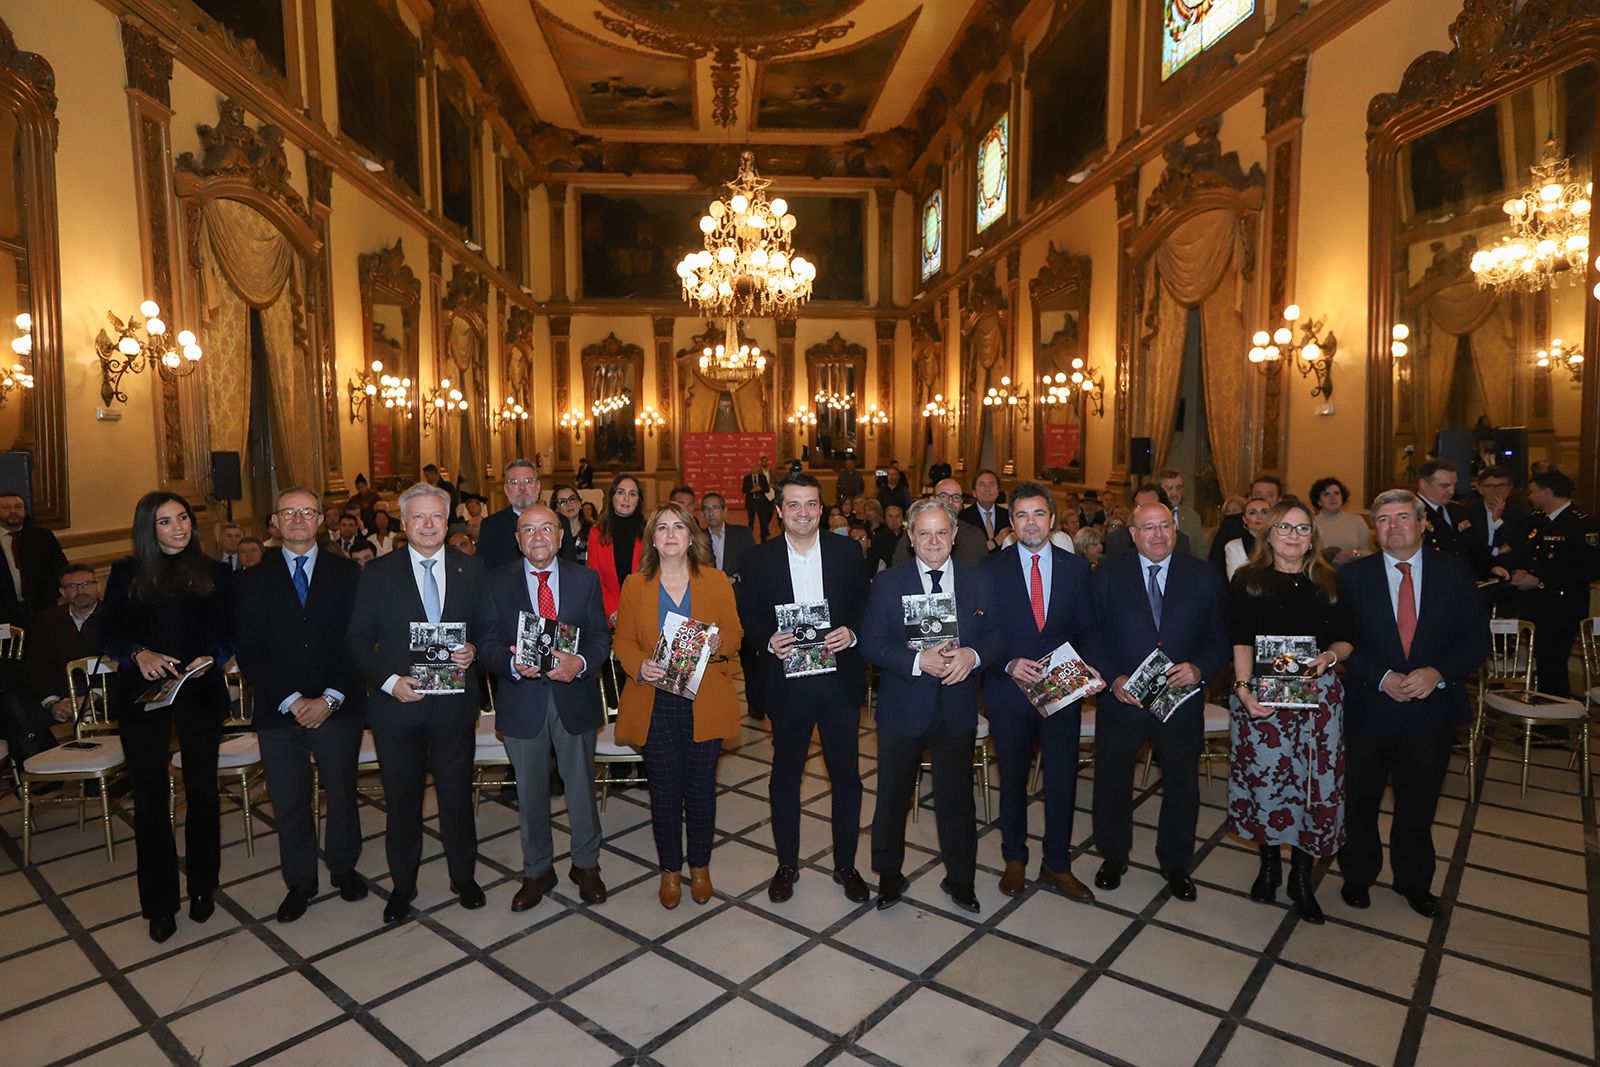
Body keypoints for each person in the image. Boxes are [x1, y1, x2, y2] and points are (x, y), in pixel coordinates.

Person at [1338, 489, 1488, 917]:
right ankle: (1358, 875)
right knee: (1360, 800)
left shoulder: (1455, 574)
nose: (1393, 526)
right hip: (1370, 706)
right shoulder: (1352, 577)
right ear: (1374, 530)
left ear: (1422, 523)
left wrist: (1437, 673)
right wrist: (1382, 677)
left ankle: (1414, 882)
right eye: (1383, 519)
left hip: (1432, 710)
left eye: (1402, 517)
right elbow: (1344, 644)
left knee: (1418, 804)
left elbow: (1475, 640)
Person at [345, 482, 490, 923]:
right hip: (398, 708)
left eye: (437, 517)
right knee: (403, 802)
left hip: (453, 708)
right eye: (419, 518)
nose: (428, 525)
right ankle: (402, 885)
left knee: (456, 798)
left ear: (448, 522)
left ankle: (463, 877)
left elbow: (486, 630)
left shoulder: (472, 569)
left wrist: (474, 650)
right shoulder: (377, 573)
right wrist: (390, 682)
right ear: (403, 524)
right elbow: (355, 640)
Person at [99, 492, 233, 943]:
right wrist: (139, 653)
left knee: (202, 792)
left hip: (199, 692)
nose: (178, 527)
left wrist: (212, 657)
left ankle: (201, 887)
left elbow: (229, 632)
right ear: (148, 528)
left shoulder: (215, 571)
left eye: (183, 518)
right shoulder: (125, 572)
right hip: (141, 694)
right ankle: (159, 903)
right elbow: (110, 633)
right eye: (165, 521)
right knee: (152, 800)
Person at [234, 488, 369, 923]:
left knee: (342, 792)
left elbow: (361, 642)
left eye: (306, 512)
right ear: (274, 522)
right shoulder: (252, 579)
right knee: (288, 799)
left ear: (321, 521)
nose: (297, 519)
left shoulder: (348, 574)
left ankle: (344, 867)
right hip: (279, 710)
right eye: (288, 512)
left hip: (338, 704)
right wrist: (294, 701)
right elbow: (250, 651)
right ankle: (300, 881)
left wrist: (329, 697)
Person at [860, 498, 1001, 913]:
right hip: (904, 707)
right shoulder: (888, 584)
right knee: (891, 798)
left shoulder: (979, 582)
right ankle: (888, 875)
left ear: (955, 536)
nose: (934, 541)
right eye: (924, 533)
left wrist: (972, 656)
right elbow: (872, 643)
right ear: (910, 536)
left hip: (956, 708)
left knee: (957, 799)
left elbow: (999, 636)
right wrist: (916, 660)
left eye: (942, 532)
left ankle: (961, 879)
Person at [737, 474, 871, 904]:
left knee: (847, 777)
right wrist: (766, 640)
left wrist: (851, 633)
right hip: (787, 684)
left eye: (811, 504)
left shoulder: (848, 551)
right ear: (778, 510)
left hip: (839, 681)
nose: (802, 513)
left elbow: (866, 608)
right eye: (793, 505)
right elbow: (750, 616)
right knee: (785, 778)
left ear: (821, 508)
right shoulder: (758, 560)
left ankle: (846, 865)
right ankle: (787, 864)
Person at [1089, 501, 1229, 902]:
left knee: (1183, 785)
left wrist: (1200, 670)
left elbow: (1220, 638)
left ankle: (1176, 863)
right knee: (1112, 783)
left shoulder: (1204, 577)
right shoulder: (1106, 578)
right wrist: (1113, 679)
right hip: (1122, 702)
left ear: (1175, 528)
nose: (1157, 535)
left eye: (1165, 526)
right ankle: (1113, 855)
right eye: (1147, 528)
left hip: (1180, 702)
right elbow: (1090, 636)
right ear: (1132, 534)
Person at [1227, 498, 1353, 923]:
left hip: (1317, 702)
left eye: (1302, 529)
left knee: (1312, 788)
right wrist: (1244, 692)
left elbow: (1346, 639)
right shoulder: (1249, 580)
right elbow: (1241, 639)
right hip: (1262, 698)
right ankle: (1268, 866)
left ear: (1312, 536)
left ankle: (1301, 878)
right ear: (1269, 533)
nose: (1294, 536)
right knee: (1267, 783)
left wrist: (1328, 659)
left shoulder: (1329, 581)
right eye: (1285, 527)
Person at [612, 503, 743, 909]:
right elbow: (623, 643)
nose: (670, 534)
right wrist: (639, 665)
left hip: (704, 700)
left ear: (691, 537)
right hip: (656, 702)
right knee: (665, 793)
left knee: (702, 790)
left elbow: (737, 634)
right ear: (653, 538)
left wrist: (721, 642)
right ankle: (670, 870)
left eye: (679, 527)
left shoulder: (716, 581)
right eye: (662, 528)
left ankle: (700, 867)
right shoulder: (636, 584)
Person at [482, 505, 612, 911]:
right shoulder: (495, 583)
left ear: (560, 537)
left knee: (580, 788)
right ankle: (537, 869)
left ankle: (586, 865)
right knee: (531, 791)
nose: (538, 537)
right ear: (518, 539)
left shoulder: (585, 579)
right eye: (528, 530)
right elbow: (484, 642)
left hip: (573, 697)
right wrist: (508, 664)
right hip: (522, 700)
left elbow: (599, 638)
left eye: (546, 529)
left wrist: (581, 664)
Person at [983, 482, 1102, 902]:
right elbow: (980, 633)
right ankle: (1014, 857)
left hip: (1061, 690)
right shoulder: (990, 568)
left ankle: (1058, 862)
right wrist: (1007, 662)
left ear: (1051, 520)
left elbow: (1088, 629)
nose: (1030, 522)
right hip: (1008, 688)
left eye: (1038, 514)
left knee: (1061, 779)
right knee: (1012, 777)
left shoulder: (1075, 568)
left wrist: (1092, 670)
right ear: (1011, 523)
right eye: (1021, 515)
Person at [1492, 469, 1600, 697]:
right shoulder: (1537, 521)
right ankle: (1542, 706)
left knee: (1554, 661)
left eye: (1533, 492)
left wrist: (1541, 582)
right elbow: (1527, 553)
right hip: (1535, 604)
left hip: (1562, 606)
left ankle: (1556, 718)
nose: (1530, 497)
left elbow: (1589, 570)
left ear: (1548, 492)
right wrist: (1520, 573)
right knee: (1542, 660)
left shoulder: (1581, 524)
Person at [28, 563, 103, 726]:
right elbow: (37, 667)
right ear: (62, 592)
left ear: (98, 587)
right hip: (59, 694)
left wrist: (93, 697)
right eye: (72, 586)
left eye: (86, 584)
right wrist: (52, 703)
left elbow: (122, 664)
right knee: (24, 718)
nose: (81, 591)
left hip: (102, 691)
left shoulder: (116, 616)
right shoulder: (47, 620)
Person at [0, 490, 68, 624]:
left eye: (18, 507)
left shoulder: (42, 537)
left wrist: (50, 598)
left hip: (40, 609)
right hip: (4, 614)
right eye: (6, 507)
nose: (13, 511)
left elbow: (61, 568)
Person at [587, 475, 644, 625]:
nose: (626, 498)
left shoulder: (649, 532)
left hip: (643, 612)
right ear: (612, 497)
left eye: (632, 494)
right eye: (620, 492)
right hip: (608, 615)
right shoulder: (596, 533)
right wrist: (613, 611)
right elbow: (594, 578)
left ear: (638, 500)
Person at [891, 479, 987, 568]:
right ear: (932, 499)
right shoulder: (915, 533)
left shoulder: (976, 536)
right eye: (943, 496)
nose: (950, 501)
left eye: (956, 497)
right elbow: (899, 571)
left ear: (961, 503)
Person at [1459, 465, 1532, 579]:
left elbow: (1518, 544)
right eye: (1490, 486)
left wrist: (1497, 520)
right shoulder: (1466, 513)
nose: (1496, 491)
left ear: (1510, 488)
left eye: (1502, 485)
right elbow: (1467, 547)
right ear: (1480, 489)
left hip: (1509, 575)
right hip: (1473, 573)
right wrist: (1496, 551)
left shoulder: (1522, 514)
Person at [1210, 474, 1283, 575]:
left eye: (1270, 495)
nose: (1263, 499)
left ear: (1279, 500)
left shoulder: (1286, 526)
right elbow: (1216, 562)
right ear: (1250, 497)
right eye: (1258, 495)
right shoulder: (1232, 524)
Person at [476, 460, 540, 572]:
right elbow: (484, 571)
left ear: (538, 486)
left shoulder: (559, 522)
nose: (522, 487)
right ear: (506, 489)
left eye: (528, 481)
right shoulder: (490, 526)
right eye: (515, 482)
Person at [1105, 484, 1194, 560]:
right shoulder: (1117, 540)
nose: (1139, 510)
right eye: (1137, 505)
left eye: (1147, 506)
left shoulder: (1180, 542)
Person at [1414, 459, 1475, 568]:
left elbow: (1472, 546)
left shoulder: (1457, 510)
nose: (1452, 491)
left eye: (1453, 485)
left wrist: (1491, 567)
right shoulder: (1411, 513)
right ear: (1423, 484)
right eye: (1445, 486)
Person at [1310, 477, 1370, 564]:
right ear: (1319, 501)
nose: (1333, 497)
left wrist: (1354, 554)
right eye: (1327, 494)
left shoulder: (1357, 521)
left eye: (1336, 493)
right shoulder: (1311, 523)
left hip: (1354, 571)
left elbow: (1370, 553)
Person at [700, 492, 753, 575]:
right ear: (702, 514)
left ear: (724, 510)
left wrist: (736, 578)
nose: (711, 513)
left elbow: (753, 562)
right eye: (707, 509)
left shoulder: (742, 534)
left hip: (736, 586)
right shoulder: (698, 538)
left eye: (715, 508)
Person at [958, 469, 1010, 552]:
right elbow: (965, 551)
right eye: (982, 484)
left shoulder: (1008, 516)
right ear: (974, 492)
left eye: (992, 484)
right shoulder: (963, 517)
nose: (987, 489)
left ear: (998, 491)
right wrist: (995, 542)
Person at [1157, 468, 1204, 557]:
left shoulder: (1192, 517)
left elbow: (1200, 554)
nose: (1175, 493)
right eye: (1169, 488)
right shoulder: (1147, 516)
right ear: (1159, 490)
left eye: (1179, 488)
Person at [1223, 497, 1273, 579]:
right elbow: (1236, 581)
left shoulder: (1280, 544)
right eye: (1252, 513)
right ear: (1244, 519)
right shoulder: (1234, 547)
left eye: (1265, 512)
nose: (1259, 517)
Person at [551, 483, 591, 565]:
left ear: (580, 503)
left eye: (572, 499)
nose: (569, 504)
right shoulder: (552, 535)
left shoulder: (593, 531)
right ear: (556, 509)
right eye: (562, 502)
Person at [742, 457, 776, 541]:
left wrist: (760, 488)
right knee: (751, 521)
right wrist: (751, 490)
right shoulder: (747, 478)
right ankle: (749, 537)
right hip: (751, 503)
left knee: (763, 520)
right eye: (751, 468)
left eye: (754, 467)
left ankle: (763, 537)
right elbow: (743, 490)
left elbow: (767, 489)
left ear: (758, 468)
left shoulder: (762, 477)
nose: (753, 469)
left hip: (761, 503)